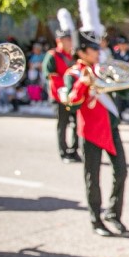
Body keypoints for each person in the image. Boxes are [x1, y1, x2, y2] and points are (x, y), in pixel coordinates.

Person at [63, 23, 129, 237]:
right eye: (93, 48)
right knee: (93, 178)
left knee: (121, 171)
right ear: (81, 51)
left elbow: (124, 94)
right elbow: (71, 104)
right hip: (90, 132)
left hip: (111, 128)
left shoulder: (103, 69)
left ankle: (113, 213)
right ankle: (96, 220)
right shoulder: (72, 74)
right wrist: (83, 84)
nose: (98, 52)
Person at [43, 18, 80, 162]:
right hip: (60, 96)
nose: (70, 42)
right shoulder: (53, 55)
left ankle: (74, 150)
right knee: (62, 125)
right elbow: (51, 76)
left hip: (75, 95)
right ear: (60, 40)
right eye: (67, 39)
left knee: (77, 125)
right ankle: (63, 152)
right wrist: (66, 89)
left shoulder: (74, 55)